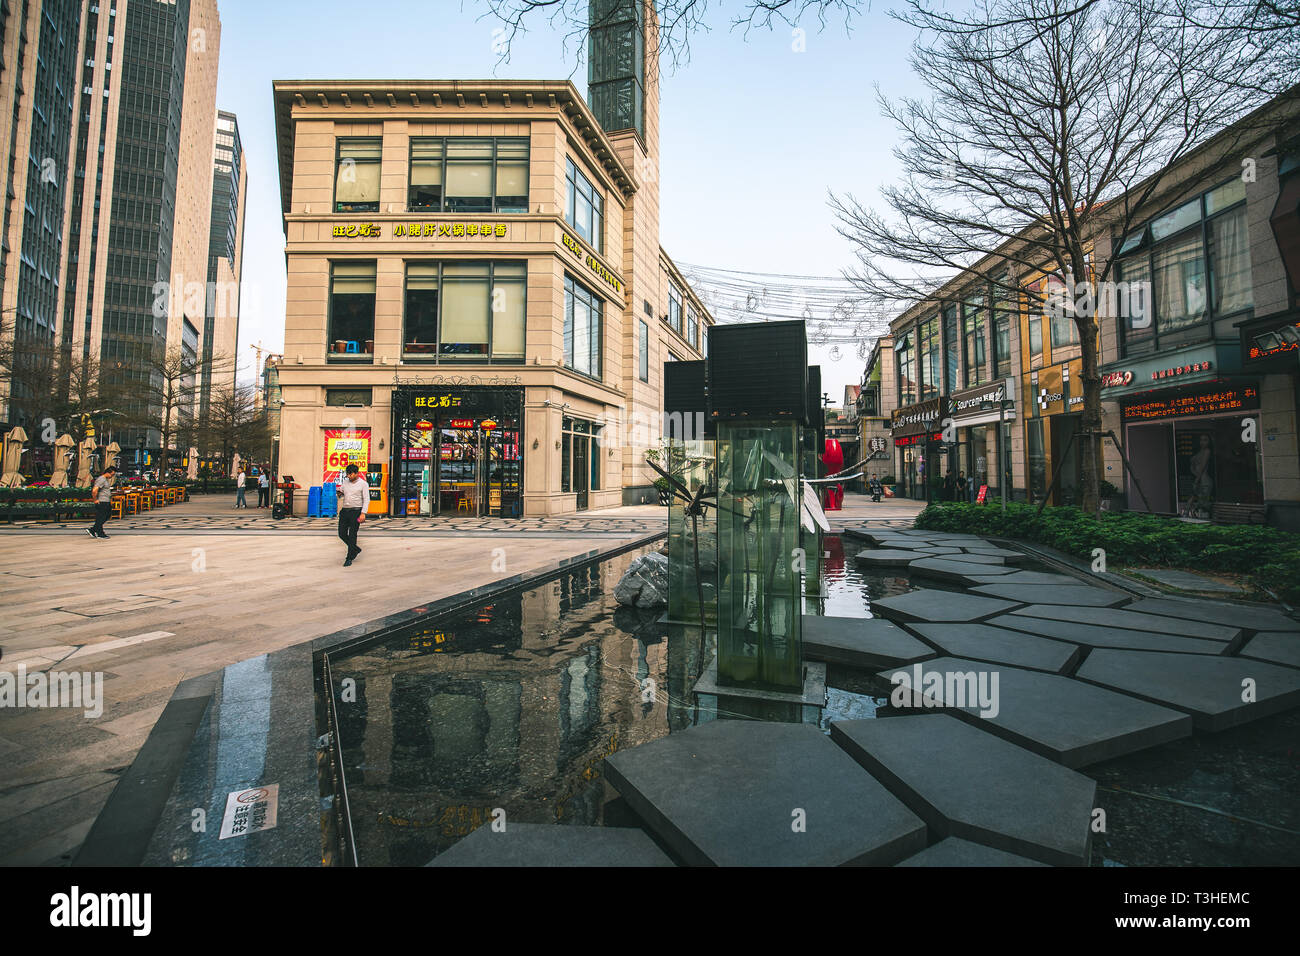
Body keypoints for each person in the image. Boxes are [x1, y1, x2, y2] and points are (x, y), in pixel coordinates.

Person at [337, 464, 370, 566]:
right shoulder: (345, 482)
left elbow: (366, 499)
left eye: (351, 474)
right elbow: (342, 491)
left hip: (356, 511)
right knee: (341, 533)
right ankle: (355, 549)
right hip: (345, 511)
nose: (349, 476)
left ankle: (349, 557)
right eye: (348, 474)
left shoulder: (363, 484)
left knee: (352, 534)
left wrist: (363, 513)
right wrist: (339, 493)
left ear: (356, 473)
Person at [87, 465, 117, 539]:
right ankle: (99, 532)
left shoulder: (105, 479)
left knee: (107, 515)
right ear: (107, 472)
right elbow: (94, 490)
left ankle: (93, 529)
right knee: (102, 516)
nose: (112, 476)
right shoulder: (101, 479)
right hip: (102, 501)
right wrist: (95, 500)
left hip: (106, 500)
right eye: (112, 474)